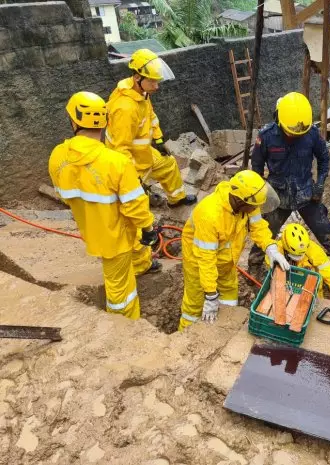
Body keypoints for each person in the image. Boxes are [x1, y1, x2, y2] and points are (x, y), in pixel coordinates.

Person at [49, 91, 157, 320]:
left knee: (133, 250)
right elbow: (135, 207)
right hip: (115, 238)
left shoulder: (57, 156)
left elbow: (65, 195)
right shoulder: (117, 162)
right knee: (121, 291)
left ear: (73, 121)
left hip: (91, 226)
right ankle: (123, 324)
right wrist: (148, 228)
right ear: (106, 122)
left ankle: (141, 266)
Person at [106, 48, 196, 274]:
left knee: (168, 165)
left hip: (145, 152)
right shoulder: (124, 108)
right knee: (135, 214)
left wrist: (158, 140)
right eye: (153, 82)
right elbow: (119, 149)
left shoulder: (142, 95)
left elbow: (152, 118)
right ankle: (141, 263)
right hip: (129, 163)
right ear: (138, 77)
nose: (157, 86)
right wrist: (133, 179)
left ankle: (176, 198)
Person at [178, 170, 290, 331]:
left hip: (227, 261)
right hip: (199, 263)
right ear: (240, 201)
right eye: (254, 207)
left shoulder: (249, 201)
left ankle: (222, 330)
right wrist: (210, 294)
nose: (256, 209)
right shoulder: (209, 215)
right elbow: (206, 259)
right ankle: (183, 338)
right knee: (195, 303)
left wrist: (271, 248)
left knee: (229, 295)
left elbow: (258, 227)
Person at [249, 92, 330, 271]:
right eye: (290, 133)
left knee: (325, 230)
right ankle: (254, 265)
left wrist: (320, 183)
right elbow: (257, 167)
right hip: (277, 195)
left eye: (299, 134)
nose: (295, 136)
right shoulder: (266, 136)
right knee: (265, 235)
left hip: (306, 193)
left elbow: (323, 158)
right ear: (279, 121)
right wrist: (260, 196)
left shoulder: (312, 134)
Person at [267, 223, 330, 305]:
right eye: (295, 255)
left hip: (314, 292)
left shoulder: (315, 251)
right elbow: (273, 275)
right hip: (288, 288)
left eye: (301, 255)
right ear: (285, 246)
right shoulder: (275, 252)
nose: (299, 257)